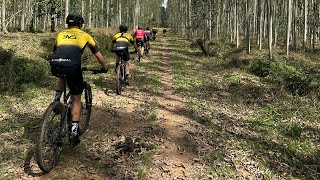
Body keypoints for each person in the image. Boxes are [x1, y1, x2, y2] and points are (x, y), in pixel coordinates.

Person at [50, 13, 108, 146]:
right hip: (72, 67)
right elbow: (98, 55)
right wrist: (104, 67)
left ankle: (56, 100)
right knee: (76, 98)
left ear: (67, 24)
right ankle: (74, 132)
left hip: (55, 64)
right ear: (80, 24)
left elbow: (55, 51)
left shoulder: (60, 34)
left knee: (62, 75)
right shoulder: (85, 35)